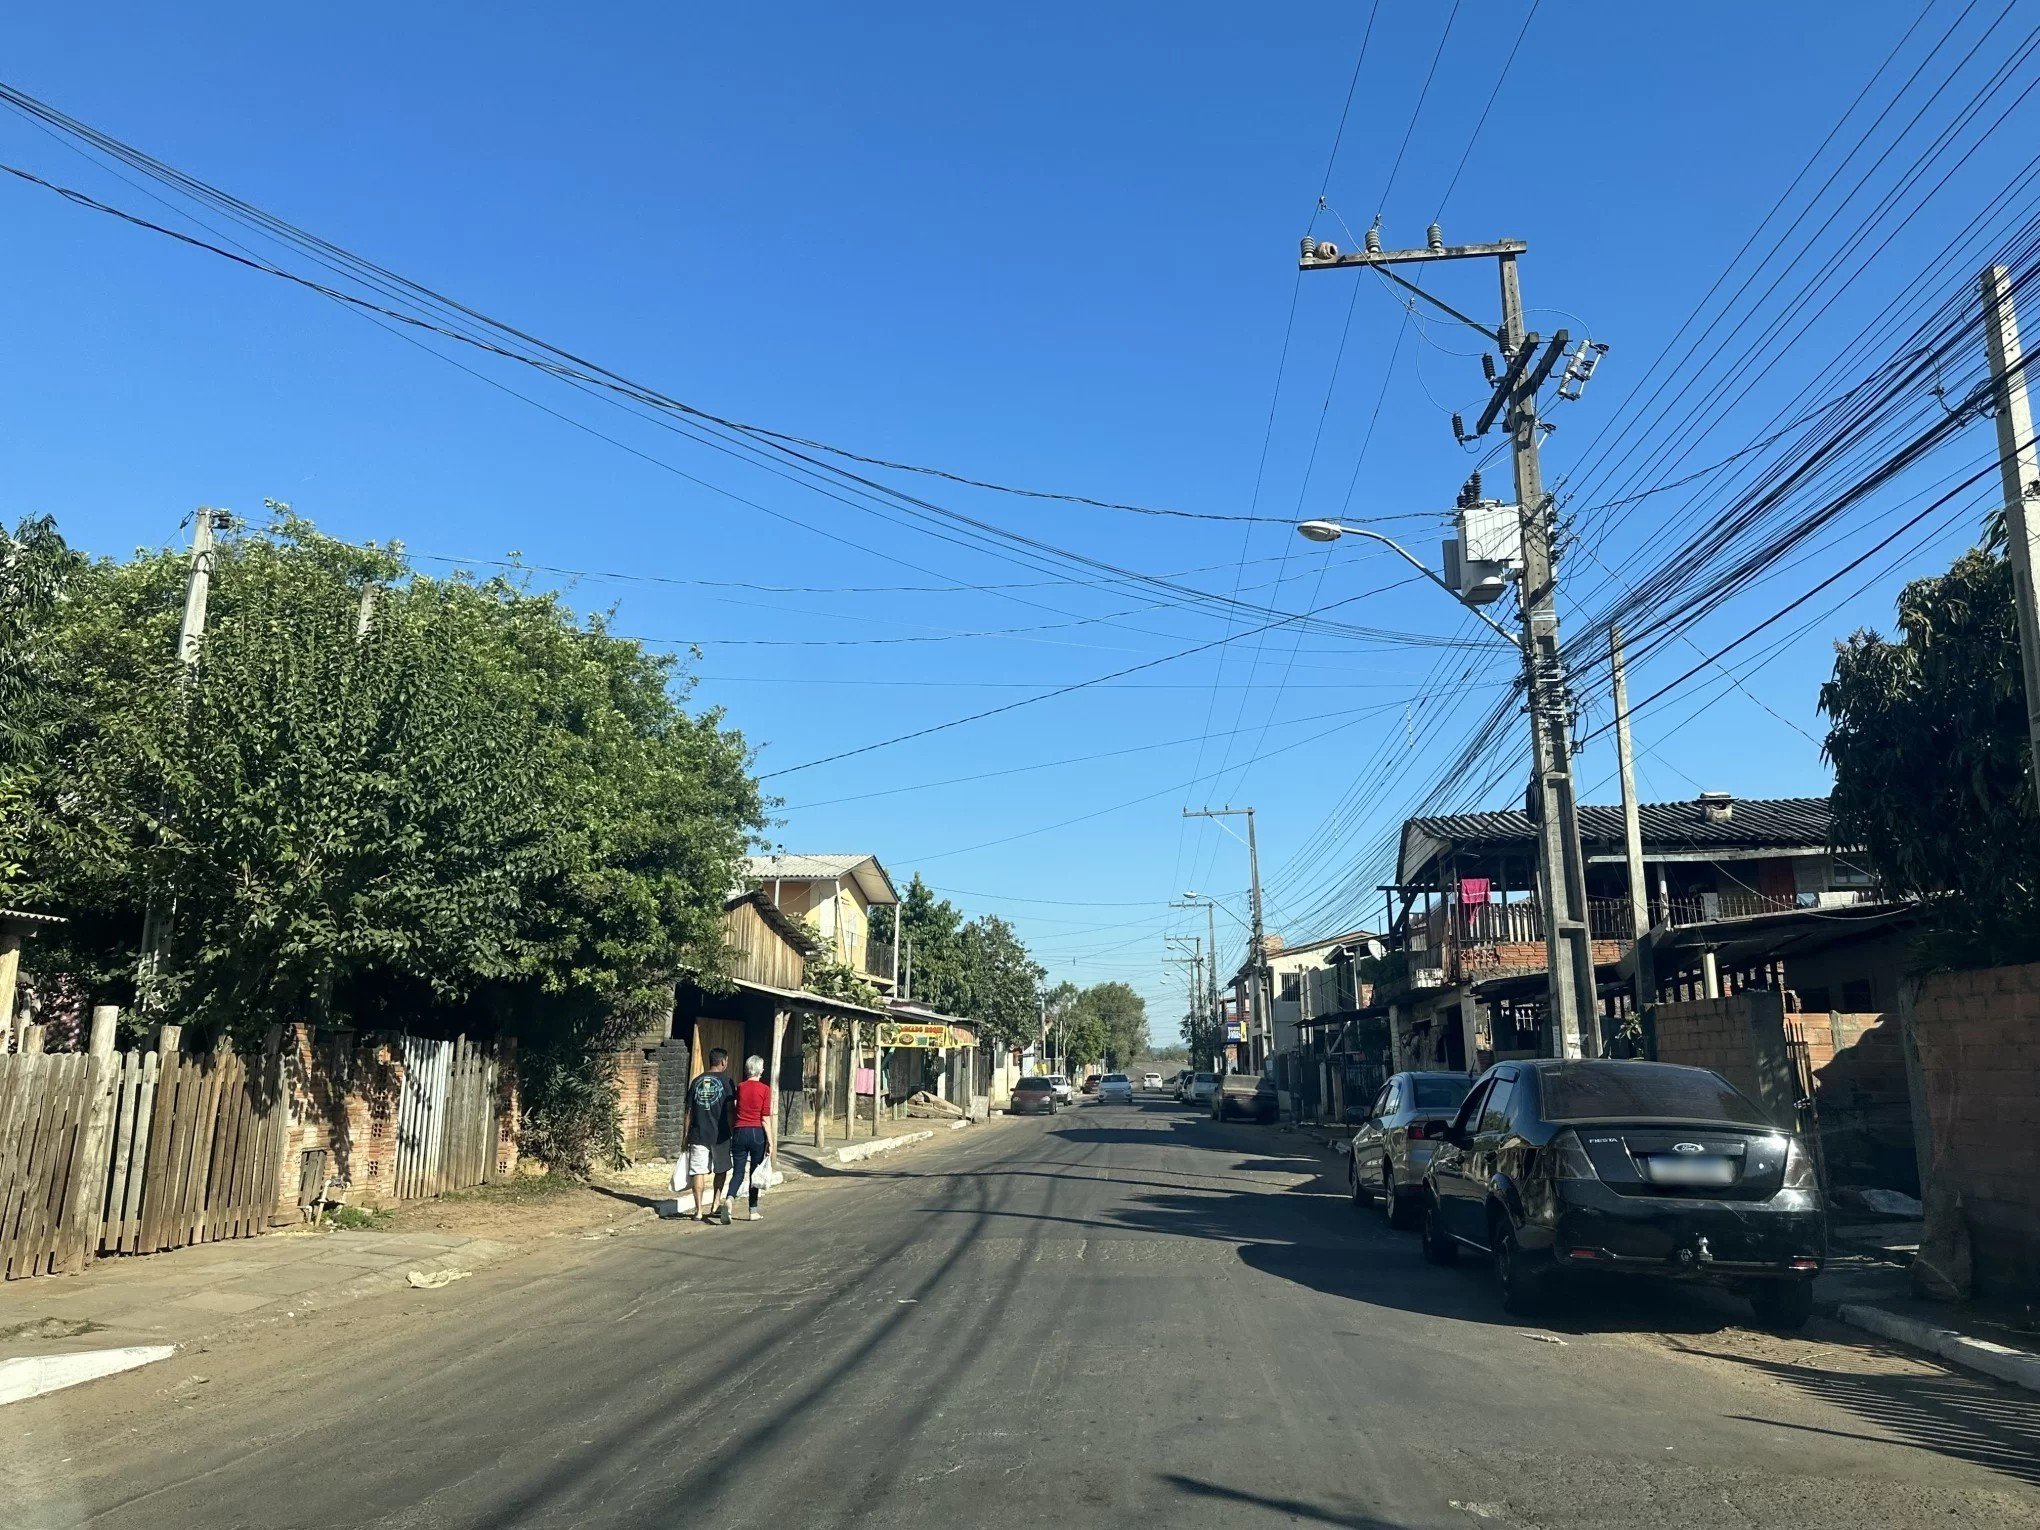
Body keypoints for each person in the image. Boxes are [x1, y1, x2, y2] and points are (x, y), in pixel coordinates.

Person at [681, 1046, 736, 1224]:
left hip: (698, 1134)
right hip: (720, 1135)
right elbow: (729, 1110)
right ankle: (714, 1205)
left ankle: (698, 1211)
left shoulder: (696, 1081)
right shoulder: (727, 1082)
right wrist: (732, 1130)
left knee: (698, 1171)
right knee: (721, 1170)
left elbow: (688, 1111)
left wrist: (685, 1135)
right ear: (723, 1062)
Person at [729, 1054, 776, 1221]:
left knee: (738, 1172)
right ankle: (753, 1210)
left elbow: (736, 1107)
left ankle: (729, 1199)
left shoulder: (740, 1087)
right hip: (757, 1133)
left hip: (739, 1132)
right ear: (760, 1070)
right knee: (754, 1174)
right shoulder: (765, 1089)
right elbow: (765, 1117)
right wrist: (770, 1141)